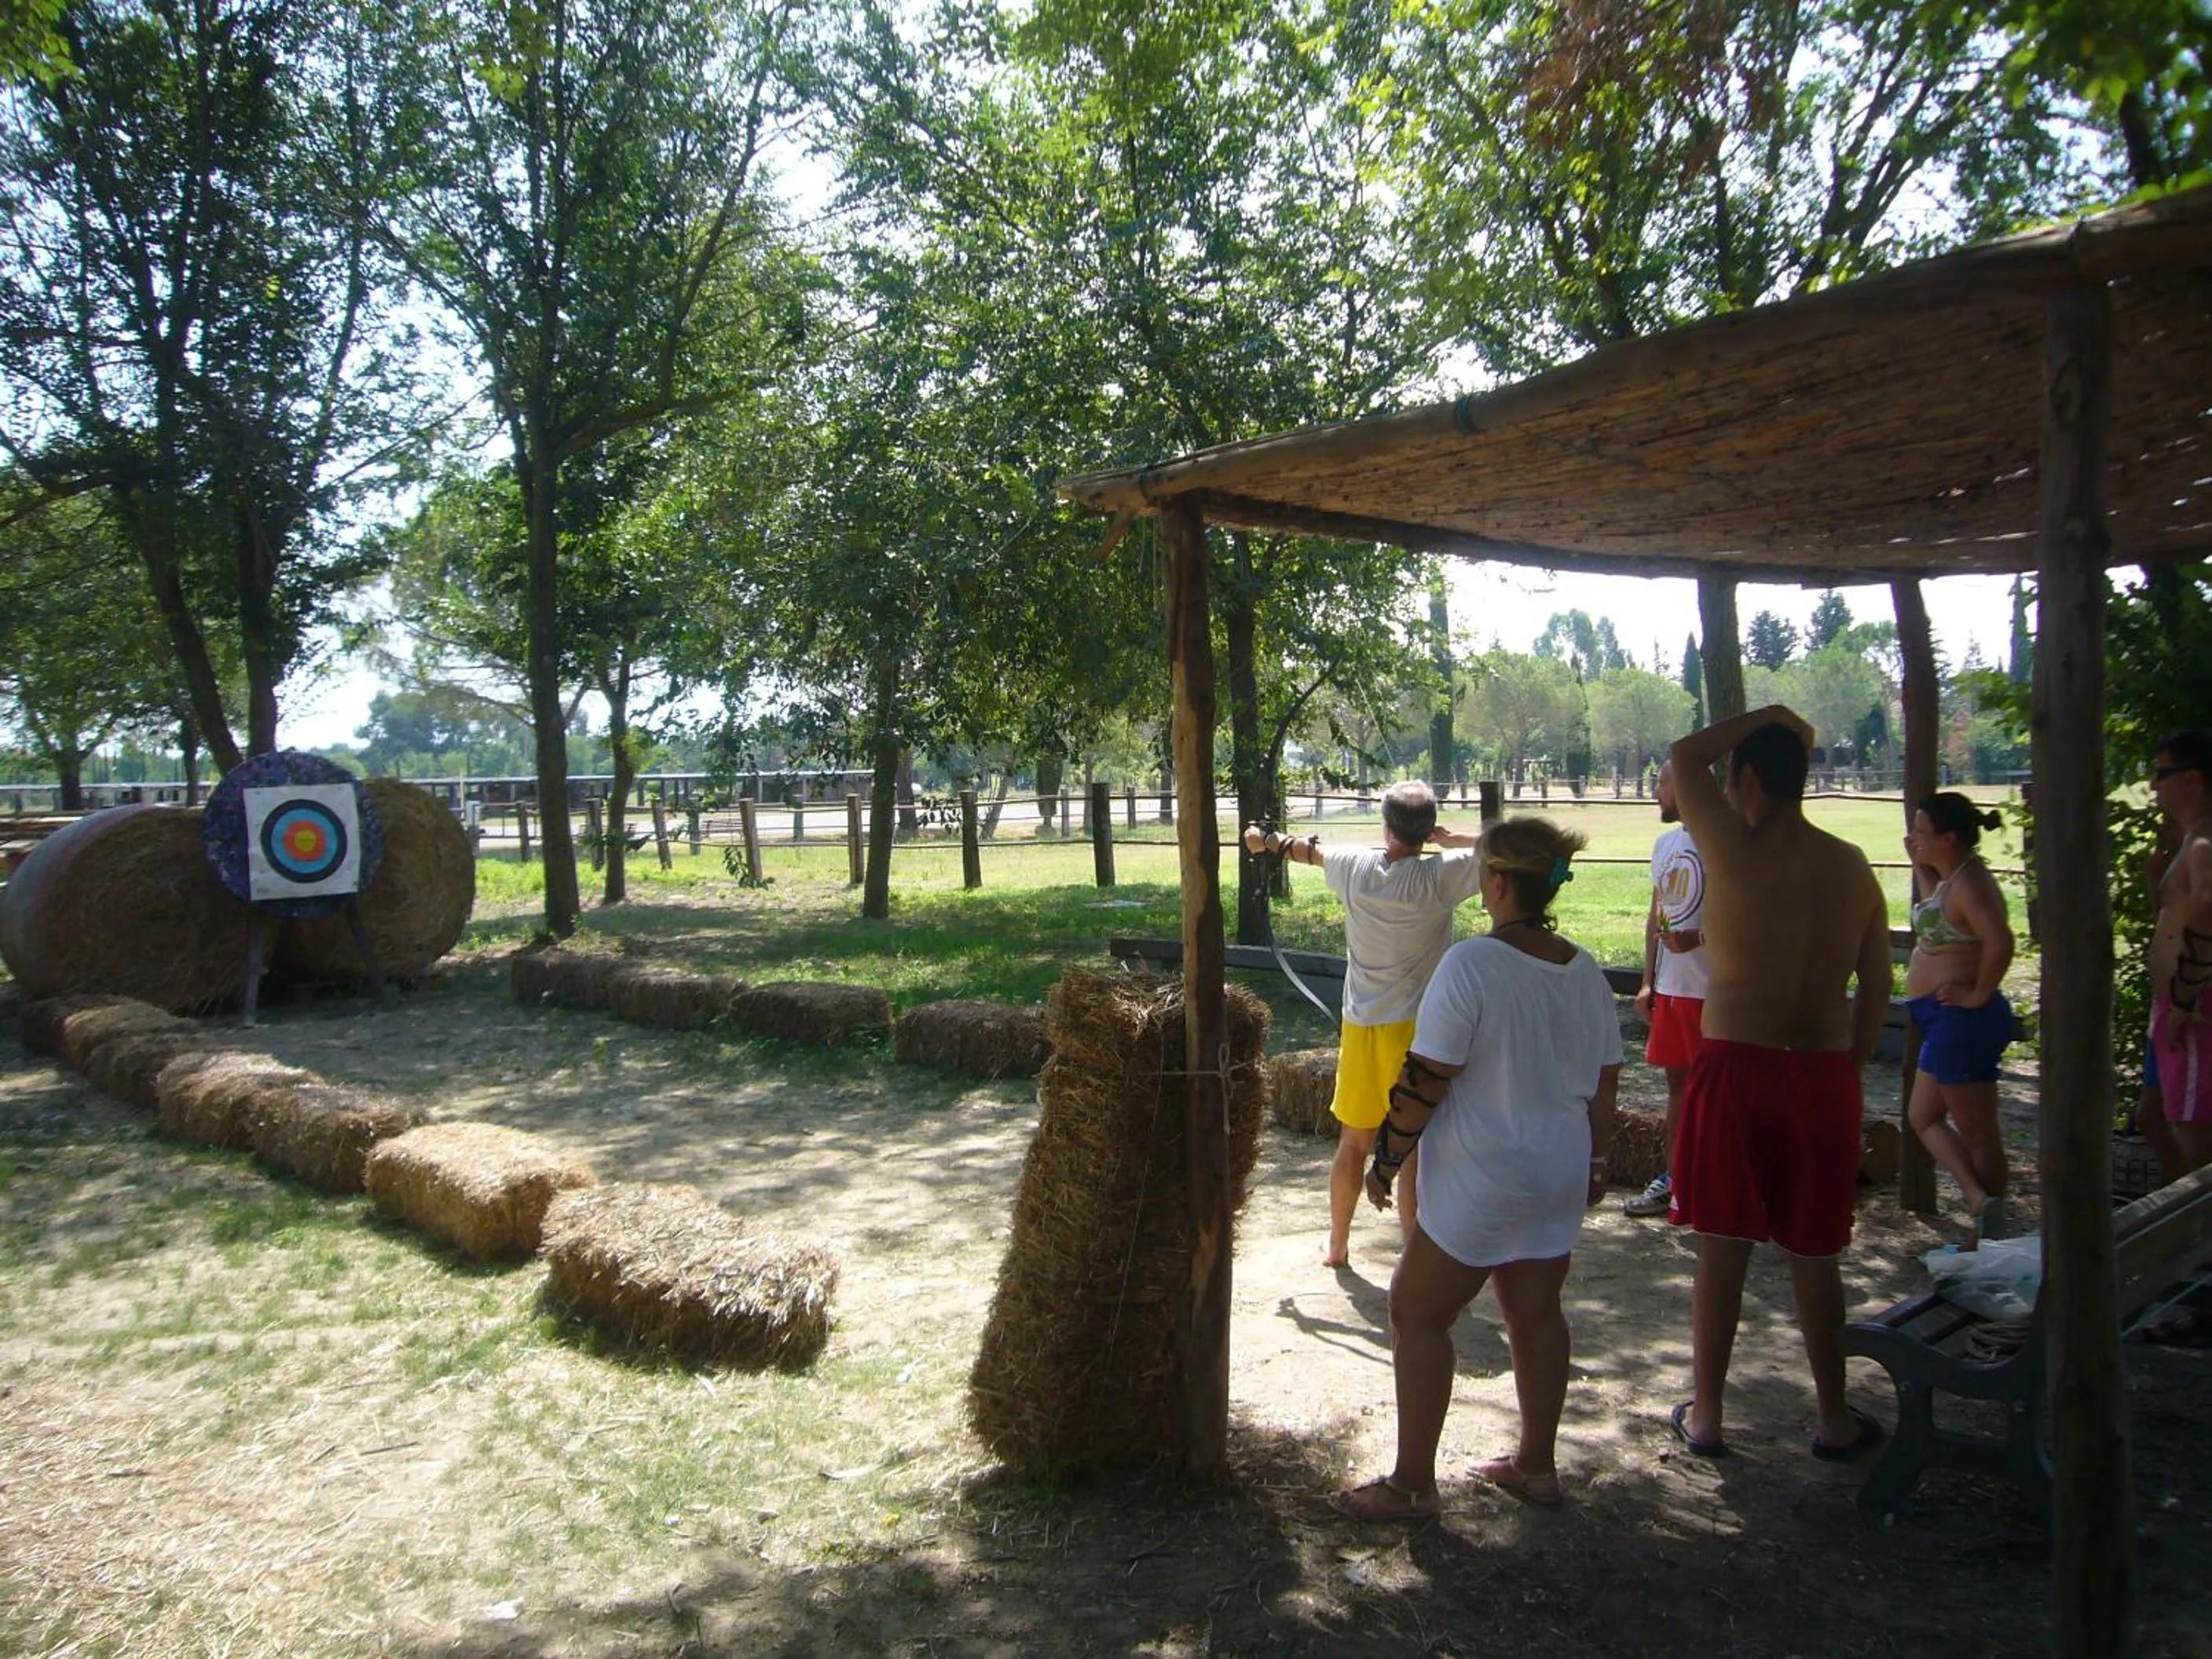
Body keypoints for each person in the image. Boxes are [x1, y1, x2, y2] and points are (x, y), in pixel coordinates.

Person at [1328, 818, 1623, 1518]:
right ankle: (1536, 1466)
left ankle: (1411, 1485)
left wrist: (1387, 1158)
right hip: (1558, 1166)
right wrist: (1600, 1158)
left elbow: (1428, 1076)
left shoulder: (1471, 965)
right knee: (1535, 1311)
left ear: (1495, 883)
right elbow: (1607, 1078)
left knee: (1416, 1309)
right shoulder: (1582, 969)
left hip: (1487, 1174)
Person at [1664, 706, 1893, 1463]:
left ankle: (1708, 1417)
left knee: (1722, 1246)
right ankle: (1834, 1417)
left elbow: (1682, 754)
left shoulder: (1730, 845)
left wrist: (1769, 718)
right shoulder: (1853, 863)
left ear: (1748, 779)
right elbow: (1878, 986)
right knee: (1815, 1252)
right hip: (1823, 1071)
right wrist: (1848, 1072)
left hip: (1738, 1064)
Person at [1243, 781, 1482, 1269]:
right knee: (1412, 1147)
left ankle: (1337, 1244)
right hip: (1419, 1032)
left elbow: (1303, 850)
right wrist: (1454, 839)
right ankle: (1415, 1254)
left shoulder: (1354, 866)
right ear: (1426, 828)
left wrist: (1261, 839)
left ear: (1387, 827)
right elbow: (1515, 843)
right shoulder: (1442, 877)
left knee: (1353, 1142)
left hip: (1364, 1027)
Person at [1903, 793, 2018, 1243]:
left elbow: (2000, 941)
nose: (1913, 837)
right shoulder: (1952, 879)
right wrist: (1917, 865)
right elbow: (1941, 915)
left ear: (1948, 838)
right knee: (1923, 1116)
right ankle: (1977, 1200)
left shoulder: (1972, 884)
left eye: (1922, 831)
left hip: (1963, 1021)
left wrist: (1978, 995)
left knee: (1979, 1133)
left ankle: (1988, 1234)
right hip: (1941, 1019)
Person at [1627, 761, 1708, 1218]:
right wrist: (1648, 981)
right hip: (1674, 990)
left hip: (1714, 994)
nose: (1656, 790)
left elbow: (1753, 920)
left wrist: (1702, 939)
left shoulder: (1725, 844)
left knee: (1714, 1091)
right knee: (1677, 1085)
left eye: (1662, 781)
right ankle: (1675, 1179)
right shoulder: (1666, 844)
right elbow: (1656, 917)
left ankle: (1711, 1181)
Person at [2148, 730, 2212, 1171]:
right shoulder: (2191, 838)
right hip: (2172, 1005)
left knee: (2195, 1145)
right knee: (2150, 1117)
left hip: (2191, 1007)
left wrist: (2186, 997)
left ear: (2192, 779)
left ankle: (2196, 1235)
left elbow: (2210, 910)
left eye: (2161, 774)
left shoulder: (2205, 841)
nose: (2154, 785)